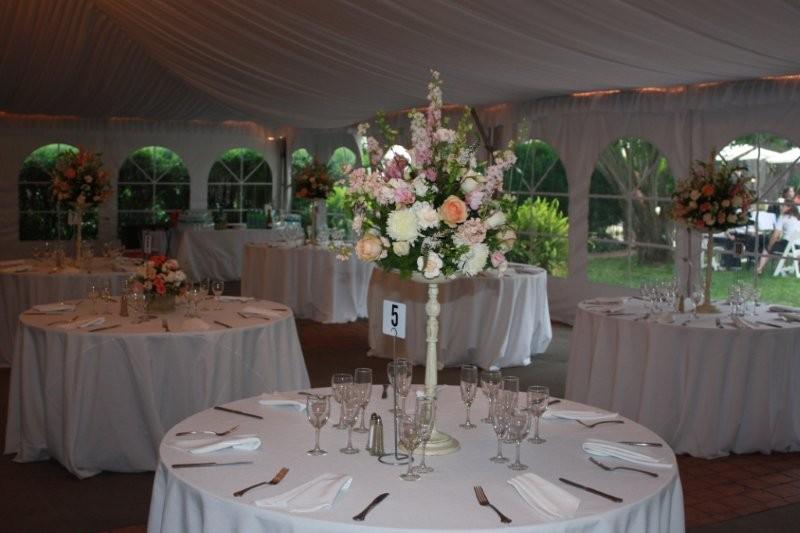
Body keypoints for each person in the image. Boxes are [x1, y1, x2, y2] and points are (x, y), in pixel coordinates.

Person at [757, 204, 800, 274]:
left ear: (790, 207)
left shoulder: (783, 217)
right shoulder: (797, 218)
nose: (781, 207)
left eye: (783, 206)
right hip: (798, 247)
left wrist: (770, 245)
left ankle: (759, 269)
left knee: (767, 247)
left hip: (790, 246)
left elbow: (775, 235)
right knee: (778, 243)